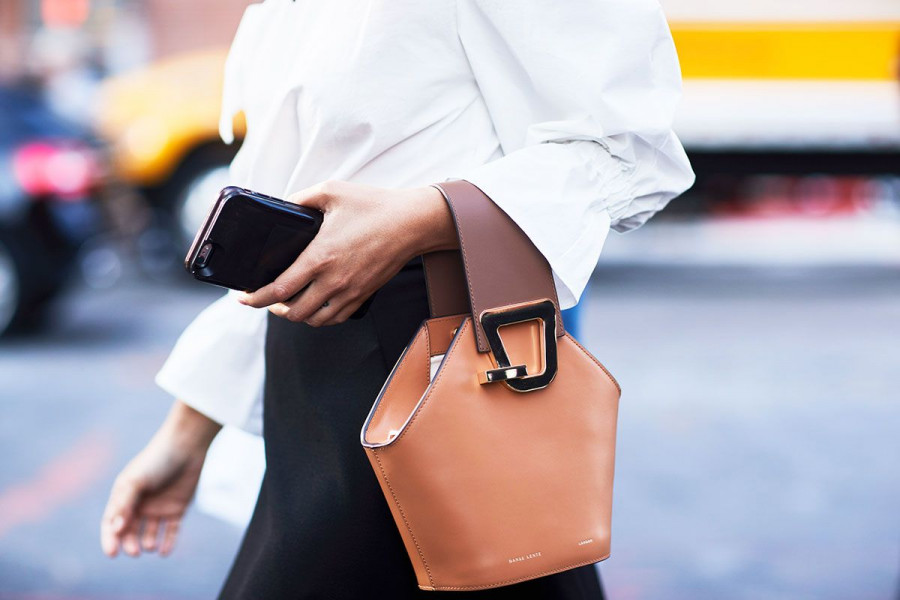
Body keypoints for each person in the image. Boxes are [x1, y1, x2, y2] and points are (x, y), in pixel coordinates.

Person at [100, 1, 694, 597]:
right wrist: (188, 431)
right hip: (316, 392)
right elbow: (298, 224)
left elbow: (630, 152)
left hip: (440, 376)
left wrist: (419, 218)